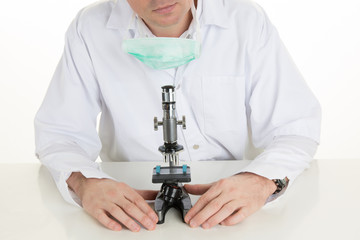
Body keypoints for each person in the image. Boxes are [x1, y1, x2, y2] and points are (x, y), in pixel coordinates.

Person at [34, 0, 321, 232]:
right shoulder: (91, 28)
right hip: (133, 204)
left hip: (232, 213)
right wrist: (86, 183)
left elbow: (295, 127)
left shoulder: (245, 21)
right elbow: (60, 134)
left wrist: (261, 179)